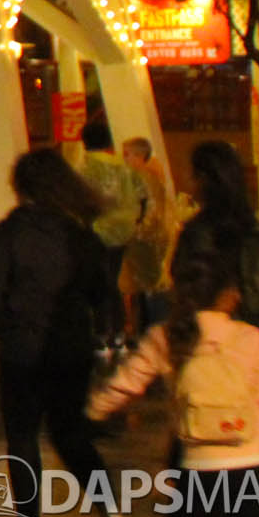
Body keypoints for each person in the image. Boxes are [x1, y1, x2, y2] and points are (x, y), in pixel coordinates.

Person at [0, 147, 133, 517]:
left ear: (21, 186)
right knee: (70, 436)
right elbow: (102, 292)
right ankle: (110, 510)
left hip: (23, 349)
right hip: (72, 348)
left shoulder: (10, 233)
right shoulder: (81, 235)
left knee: (22, 437)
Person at [88, 248, 259, 517]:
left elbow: (126, 383)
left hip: (198, 466)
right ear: (229, 295)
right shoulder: (250, 338)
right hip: (248, 464)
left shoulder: (167, 336)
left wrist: (94, 410)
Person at [171, 139, 259, 355]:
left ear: (202, 178)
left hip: (220, 341)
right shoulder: (252, 226)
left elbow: (187, 283)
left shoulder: (199, 232)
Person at [78, 119, 144, 354]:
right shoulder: (125, 167)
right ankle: (118, 331)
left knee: (99, 281)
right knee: (113, 280)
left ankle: (101, 331)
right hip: (124, 232)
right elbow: (143, 196)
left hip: (96, 231)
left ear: (85, 142)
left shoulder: (84, 168)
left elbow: (77, 200)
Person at [121, 135, 177, 339]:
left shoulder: (142, 181)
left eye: (126, 154)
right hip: (149, 249)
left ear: (138, 156)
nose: (124, 159)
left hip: (145, 249)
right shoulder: (148, 180)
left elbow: (149, 218)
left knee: (149, 300)